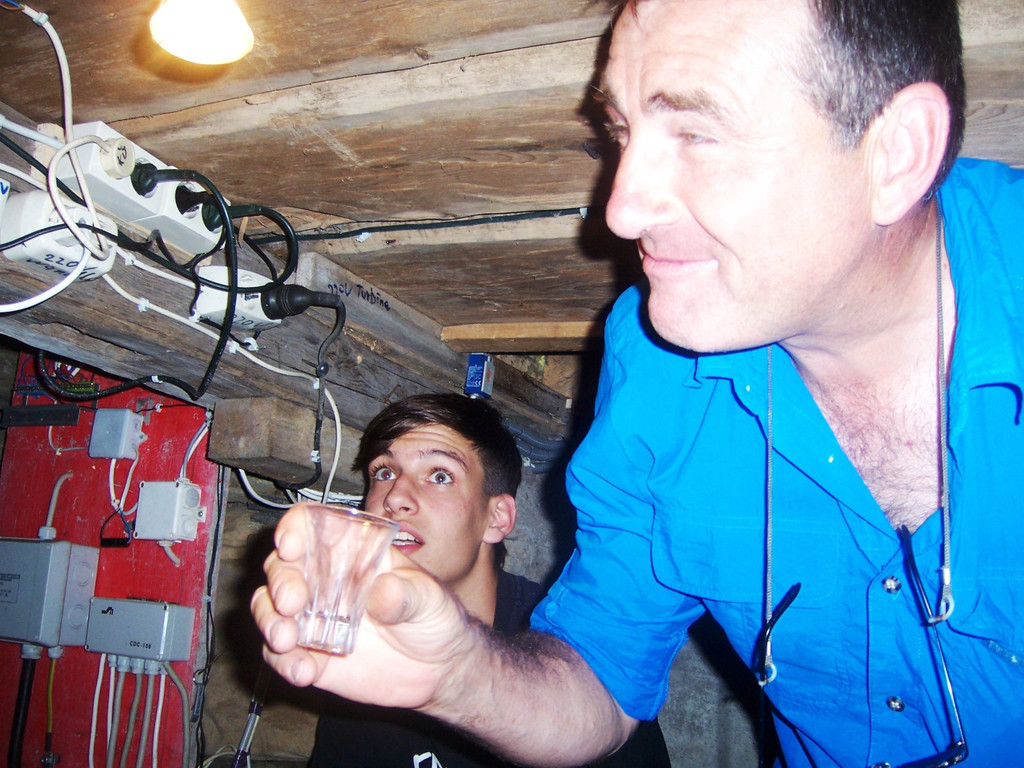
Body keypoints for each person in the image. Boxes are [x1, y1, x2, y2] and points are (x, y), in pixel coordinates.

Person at [253, 1, 1024, 766]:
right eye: (620, 134)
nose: (619, 211)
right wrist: (456, 675)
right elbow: (600, 683)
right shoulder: (655, 357)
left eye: (696, 133)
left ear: (897, 153)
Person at [305, 393, 670, 768]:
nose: (395, 497)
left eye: (440, 476)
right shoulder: (362, 641)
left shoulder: (574, 649)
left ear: (497, 518)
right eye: (384, 473)